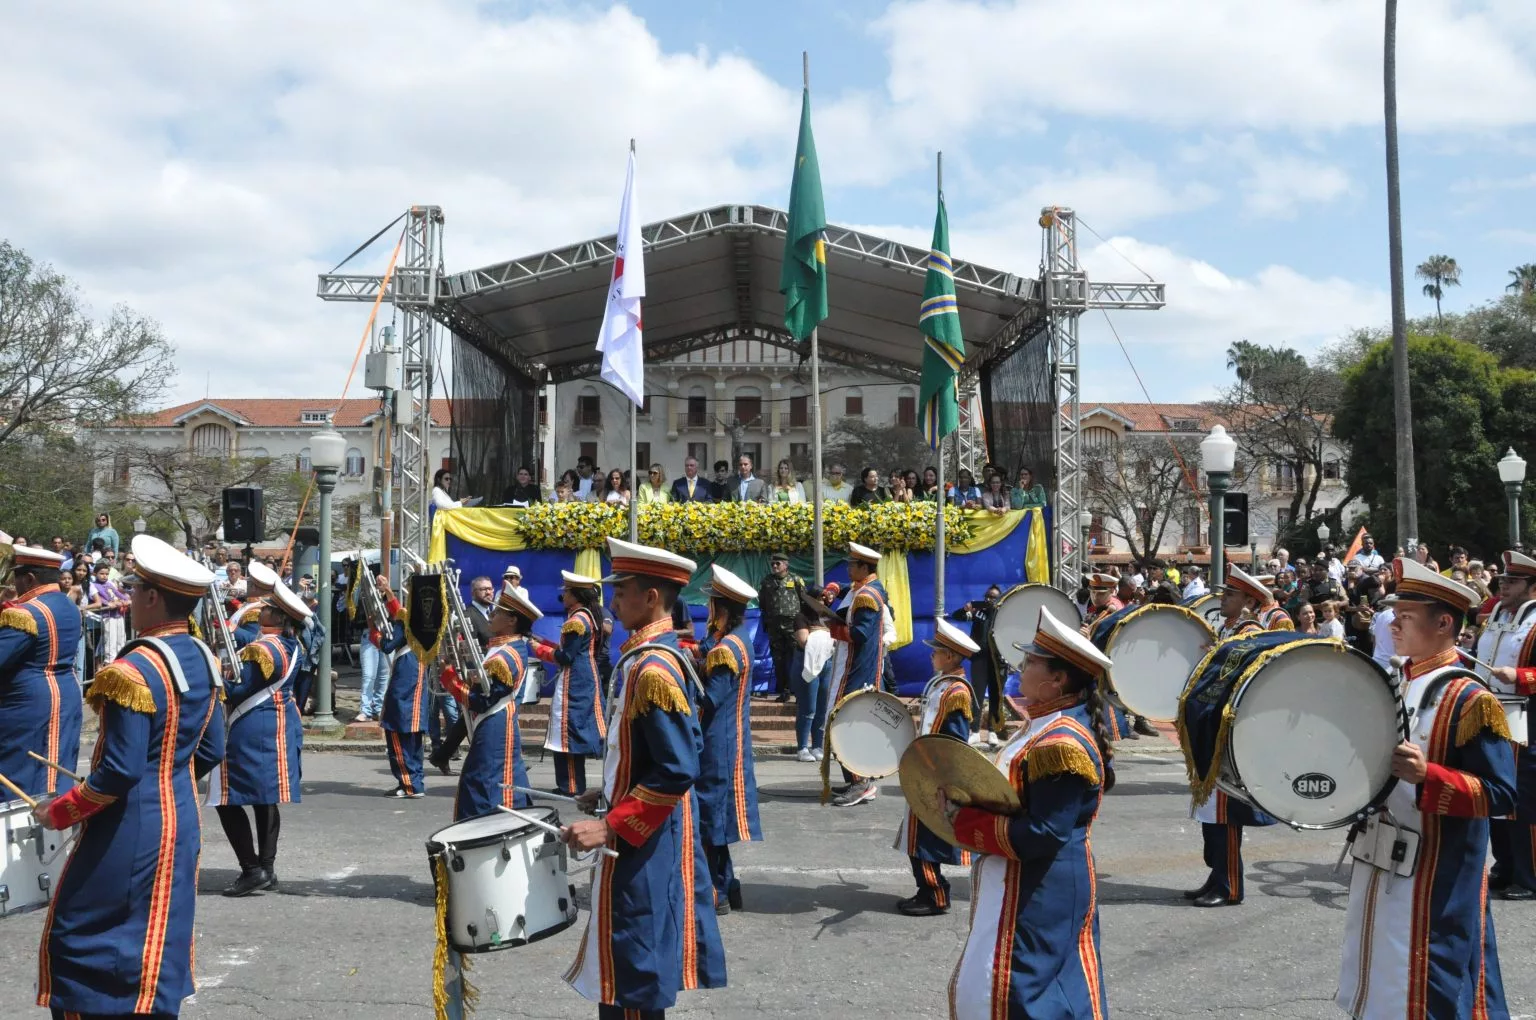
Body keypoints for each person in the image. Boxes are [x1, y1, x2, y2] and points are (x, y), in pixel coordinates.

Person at [32, 534, 225, 1020]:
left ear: (153, 597)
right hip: (178, 815)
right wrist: (168, 774)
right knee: (158, 929)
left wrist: (60, 810)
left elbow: (118, 770)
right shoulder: (204, 657)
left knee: (82, 932)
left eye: (135, 588)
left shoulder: (131, 669)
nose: (129, 596)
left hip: (130, 823)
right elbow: (213, 748)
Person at [1337, 557, 1516, 1017]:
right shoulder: (1399, 679)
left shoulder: (1471, 698)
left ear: (1443, 623)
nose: (1393, 624)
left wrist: (1430, 776)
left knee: (1437, 970)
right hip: (1388, 854)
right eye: (1395, 615)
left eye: (1406, 617)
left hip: (1439, 866)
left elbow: (1501, 794)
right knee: (1385, 965)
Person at [561, 536, 727, 1018]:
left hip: (642, 841)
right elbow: (651, 755)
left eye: (623, 590)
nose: (613, 600)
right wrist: (610, 790)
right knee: (624, 968)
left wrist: (612, 824)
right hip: (638, 831)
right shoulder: (643, 659)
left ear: (651, 598)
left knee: (635, 971)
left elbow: (677, 768)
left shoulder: (653, 667)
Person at [943, 606, 1113, 1019]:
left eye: (1033, 661)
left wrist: (962, 821)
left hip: (1042, 884)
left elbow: (1044, 833)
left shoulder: (1062, 742)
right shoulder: (1045, 722)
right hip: (1029, 877)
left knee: (1024, 989)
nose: (1022, 665)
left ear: (1057, 680)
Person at [214, 579, 310, 897]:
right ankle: (267, 868)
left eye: (267, 609)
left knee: (226, 798)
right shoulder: (290, 645)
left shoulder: (263, 648)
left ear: (278, 618)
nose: (261, 610)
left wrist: (216, 679)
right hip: (279, 723)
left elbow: (241, 690)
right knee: (265, 798)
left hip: (253, 725)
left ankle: (251, 869)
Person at [1188, 566, 1272, 907]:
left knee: (1224, 812)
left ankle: (1229, 885)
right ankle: (1215, 878)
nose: (1223, 599)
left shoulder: (1249, 633)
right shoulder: (1229, 629)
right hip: (1215, 731)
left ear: (1249, 602)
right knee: (1211, 812)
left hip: (1229, 734)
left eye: (1231, 595)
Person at [893, 618, 979, 917]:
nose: (931, 656)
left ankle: (935, 895)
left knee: (925, 840)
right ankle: (925, 890)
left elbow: (953, 742)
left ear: (951, 657)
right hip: (924, 771)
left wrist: (940, 780)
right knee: (917, 838)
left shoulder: (957, 693)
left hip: (935, 777)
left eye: (936, 652)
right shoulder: (942, 686)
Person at [444, 579, 542, 821]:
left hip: (495, 723)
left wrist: (452, 682)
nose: (492, 614)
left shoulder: (506, 655)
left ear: (511, 621)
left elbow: (482, 701)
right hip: (494, 723)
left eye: (498, 612)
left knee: (485, 781)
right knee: (493, 778)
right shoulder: (503, 646)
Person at [696, 564, 763, 914]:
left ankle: (717, 891)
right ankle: (729, 884)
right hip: (728, 737)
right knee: (714, 819)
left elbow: (710, 698)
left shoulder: (726, 650)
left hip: (718, 741)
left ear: (719, 608)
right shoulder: (736, 639)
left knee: (711, 820)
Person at [1471, 549, 1536, 901]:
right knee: (1497, 795)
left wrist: (1521, 676)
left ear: (1532, 586)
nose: (1505, 585)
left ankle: (1530, 876)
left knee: (1526, 802)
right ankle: (1505, 867)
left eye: (1513, 581)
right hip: (1492, 716)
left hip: (1529, 721)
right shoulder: (1494, 614)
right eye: (1503, 580)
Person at [0, 545, 83, 797]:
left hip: (27, 704)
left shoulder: (25, 613)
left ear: (29, 578)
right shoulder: (67, 605)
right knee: (56, 771)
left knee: (21, 777)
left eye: (16, 577)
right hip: (65, 696)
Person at [534, 571, 608, 796]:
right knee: (567, 731)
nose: (563, 596)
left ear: (576, 595)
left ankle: (572, 786)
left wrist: (537, 649)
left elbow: (566, 656)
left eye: (566, 592)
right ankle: (569, 784)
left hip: (575, 681)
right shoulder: (585, 616)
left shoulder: (577, 620)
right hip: (581, 677)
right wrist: (544, 642)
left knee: (568, 732)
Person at [830, 542, 889, 807]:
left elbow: (860, 634)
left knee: (847, 727)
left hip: (858, 670)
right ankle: (857, 780)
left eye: (852, 565)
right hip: (856, 667)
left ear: (864, 567)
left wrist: (832, 626)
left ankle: (861, 783)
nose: (848, 568)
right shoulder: (864, 589)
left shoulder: (867, 595)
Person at [376, 597, 430, 799]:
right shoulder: (422, 619)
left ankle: (409, 785)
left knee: (398, 730)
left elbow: (388, 645)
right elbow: (401, 612)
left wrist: (374, 632)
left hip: (406, 673)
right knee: (413, 736)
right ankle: (415, 782)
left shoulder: (406, 620)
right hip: (417, 668)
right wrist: (388, 595)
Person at [951, 585, 1006, 747]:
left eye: (993, 597)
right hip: (979, 659)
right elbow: (958, 616)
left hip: (998, 661)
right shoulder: (978, 612)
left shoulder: (1003, 615)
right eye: (988, 596)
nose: (989, 600)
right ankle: (974, 731)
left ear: (1000, 599)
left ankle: (992, 731)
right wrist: (965, 608)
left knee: (996, 695)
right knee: (977, 695)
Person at [794, 590, 837, 762]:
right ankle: (802, 747)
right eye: (818, 599)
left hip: (827, 663)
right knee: (808, 708)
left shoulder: (828, 617)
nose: (822, 602)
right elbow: (804, 641)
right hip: (808, 664)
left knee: (823, 708)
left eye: (824, 599)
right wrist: (822, 635)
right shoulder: (801, 617)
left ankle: (818, 746)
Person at [757, 553, 804, 704]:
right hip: (775, 627)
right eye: (773, 564)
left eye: (778, 563)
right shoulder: (767, 582)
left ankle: (799, 691)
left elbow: (803, 600)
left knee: (797, 658)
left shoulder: (795, 580)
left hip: (793, 626)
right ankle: (784, 691)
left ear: (786, 565)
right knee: (779, 660)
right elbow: (762, 603)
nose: (775, 566)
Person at [355, 566, 398, 723]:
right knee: (368, 675)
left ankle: (378, 708)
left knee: (383, 675)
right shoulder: (364, 599)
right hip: (370, 637)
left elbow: (397, 614)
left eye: (383, 581)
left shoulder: (390, 597)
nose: (380, 584)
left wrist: (387, 591)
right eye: (377, 582)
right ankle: (365, 709)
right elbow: (356, 619)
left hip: (387, 637)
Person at [87, 559, 130, 664]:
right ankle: (110, 662)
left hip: (118, 614)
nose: (104, 576)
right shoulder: (92, 585)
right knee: (110, 640)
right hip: (108, 615)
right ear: (95, 573)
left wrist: (125, 600)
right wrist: (107, 604)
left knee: (121, 638)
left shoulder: (110, 583)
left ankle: (121, 659)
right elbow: (98, 599)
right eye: (101, 573)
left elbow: (117, 593)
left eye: (106, 574)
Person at [230, 560, 280, 647]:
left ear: (254, 587)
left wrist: (231, 628)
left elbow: (255, 641)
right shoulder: (251, 604)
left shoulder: (257, 612)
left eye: (248, 582)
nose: (245, 584)